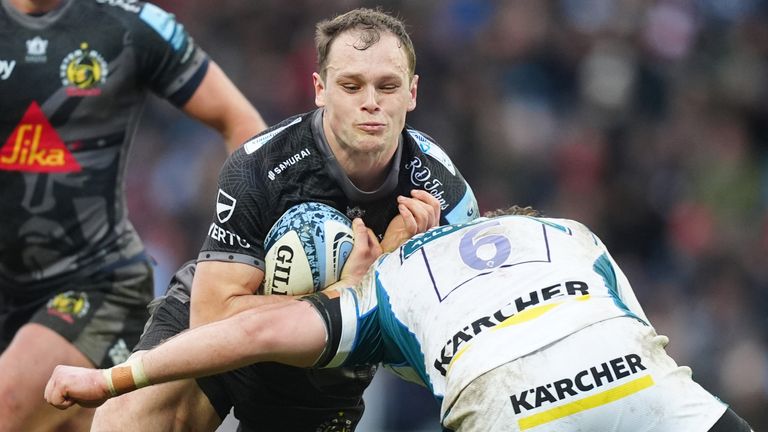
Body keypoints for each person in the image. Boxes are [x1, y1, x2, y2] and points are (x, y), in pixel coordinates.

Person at [89, 7, 479, 432]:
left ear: (412, 93)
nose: (371, 102)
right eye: (351, 85)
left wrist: (412, 270)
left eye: (388, 86)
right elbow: (211, 316)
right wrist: (353, 289)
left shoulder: (443, 195)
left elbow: (461, 343)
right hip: (221, 327)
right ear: (320, 89)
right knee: (121, 421)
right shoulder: (260, 167)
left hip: (328, 368)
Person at [46, 206, 755, 432]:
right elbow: (634, 327)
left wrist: (112, 379)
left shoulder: (387, 282)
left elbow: (253, 332)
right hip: (652, 392)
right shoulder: (572, 234)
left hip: (515, 409)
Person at [0, 0, 267, 430]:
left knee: (8, 402)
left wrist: (243, 249)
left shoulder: (130, 25)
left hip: (93, 283)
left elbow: (241, 122)